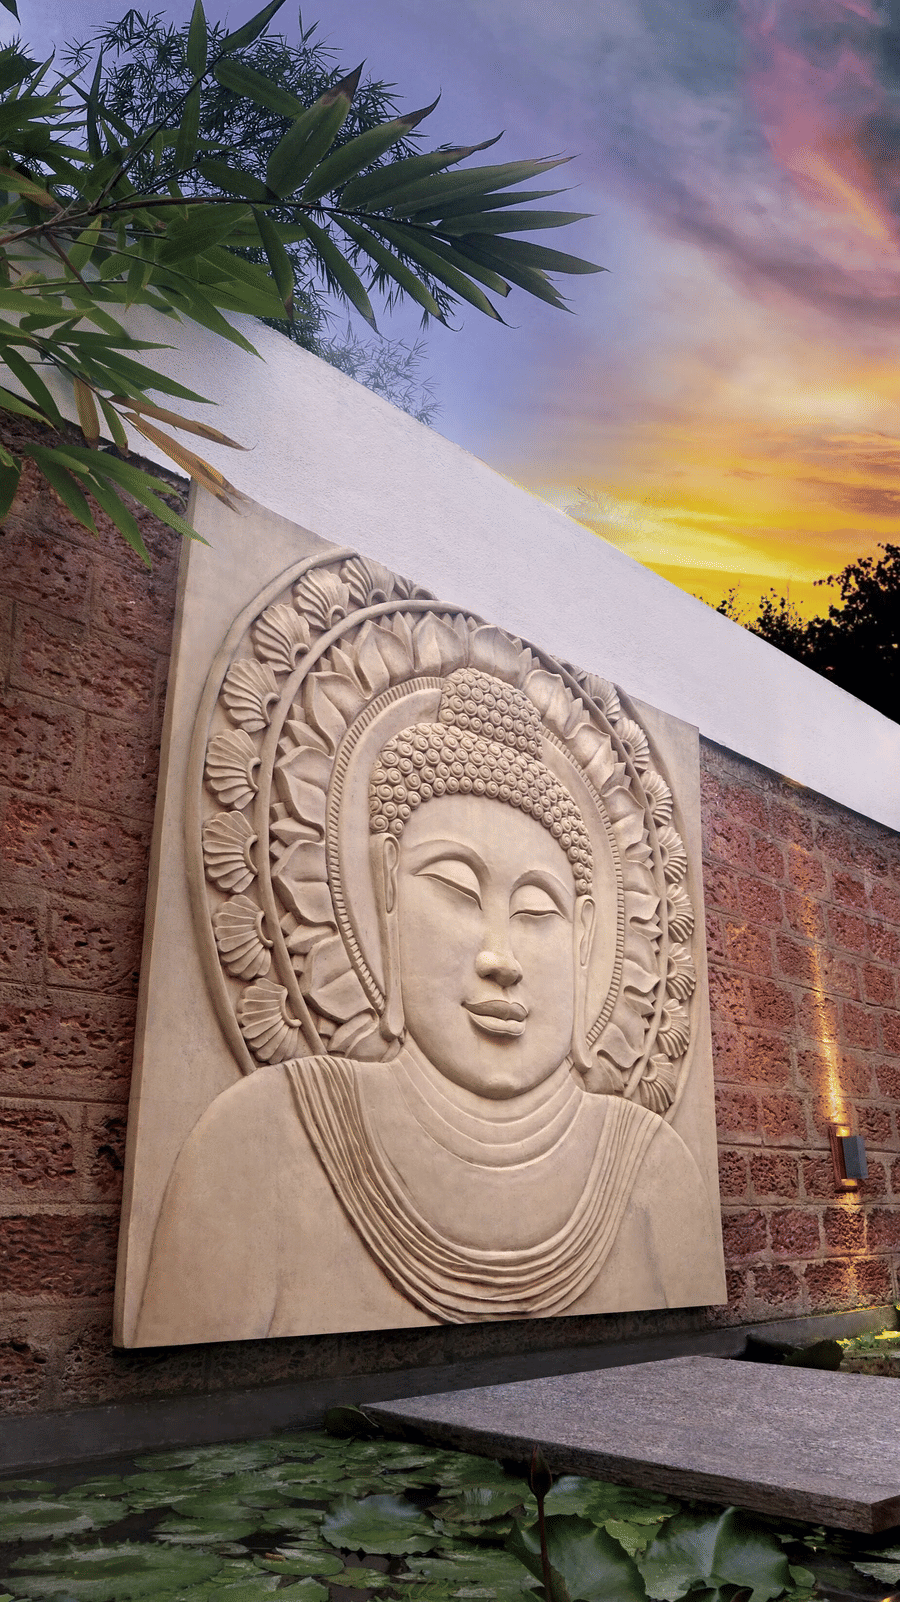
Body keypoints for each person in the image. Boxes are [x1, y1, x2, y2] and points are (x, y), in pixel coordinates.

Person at [135, 670, 722, 1346]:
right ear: (384, 888)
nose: (500, 956)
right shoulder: (257, 1141)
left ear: (585, 935)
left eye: (537, 910)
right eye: (455, 888)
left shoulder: (655, 1171)